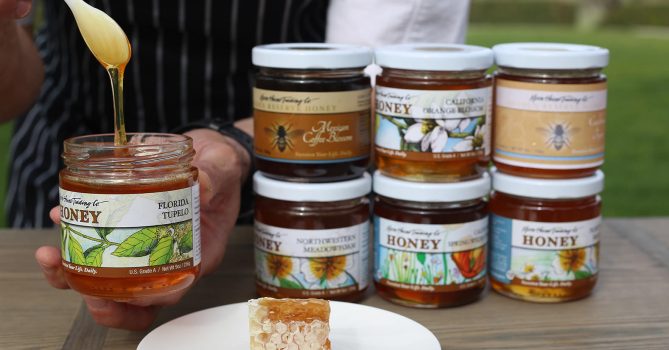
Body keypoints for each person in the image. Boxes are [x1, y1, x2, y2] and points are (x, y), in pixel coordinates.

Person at [0, 0, 469, 330]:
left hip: (283, 162)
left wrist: (233, 143)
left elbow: (378, 86)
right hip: (71, 148)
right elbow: (11, 90)